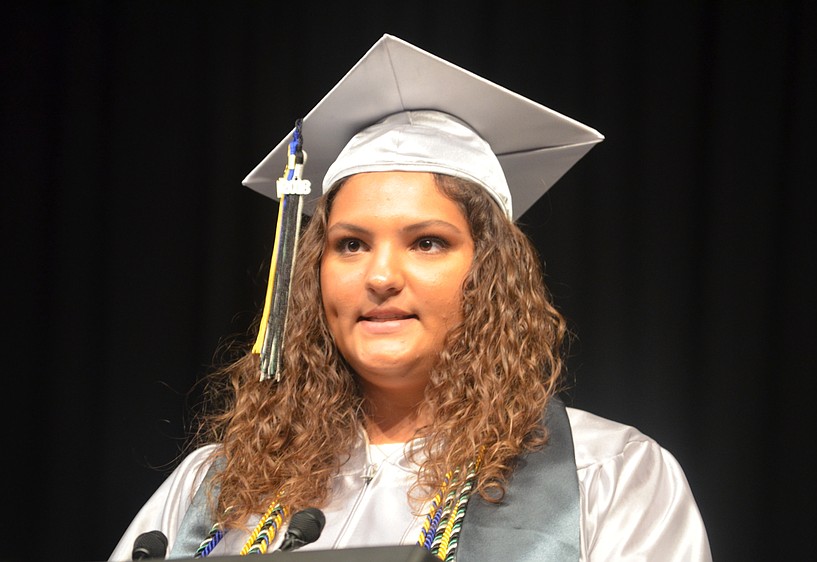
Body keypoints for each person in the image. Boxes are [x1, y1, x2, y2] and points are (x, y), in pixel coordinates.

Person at [110, 35, 712, 561]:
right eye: (350, 244)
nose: (380, 276)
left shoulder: (608, 477)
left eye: (427, 242)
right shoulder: (214, 490)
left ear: (492, 273)